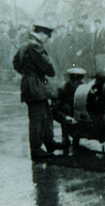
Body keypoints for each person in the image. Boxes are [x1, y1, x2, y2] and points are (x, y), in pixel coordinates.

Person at [12, 22, 66, 161]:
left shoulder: (25, 44)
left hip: (30, 82)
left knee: (45, 115)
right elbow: (48, 67)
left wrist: (27, 72)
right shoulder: (35, 46)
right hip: (35, 85)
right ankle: (36, 150)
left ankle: (50, 143)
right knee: (38, 119)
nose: (47, 39)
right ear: (41, 34)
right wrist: (38, 73)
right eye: (47, 36)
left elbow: (16, 63)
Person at [51, 67, 86, 145]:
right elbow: (54, 108)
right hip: (68, 114)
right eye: (74, 80)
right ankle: (65, 135)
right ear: (70, 79)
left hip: (80, 115)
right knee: (67, 108)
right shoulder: (62, 89)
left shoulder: (84, 89)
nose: (77, 83)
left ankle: (78, 135)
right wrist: (65, 118)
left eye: (79, 80)